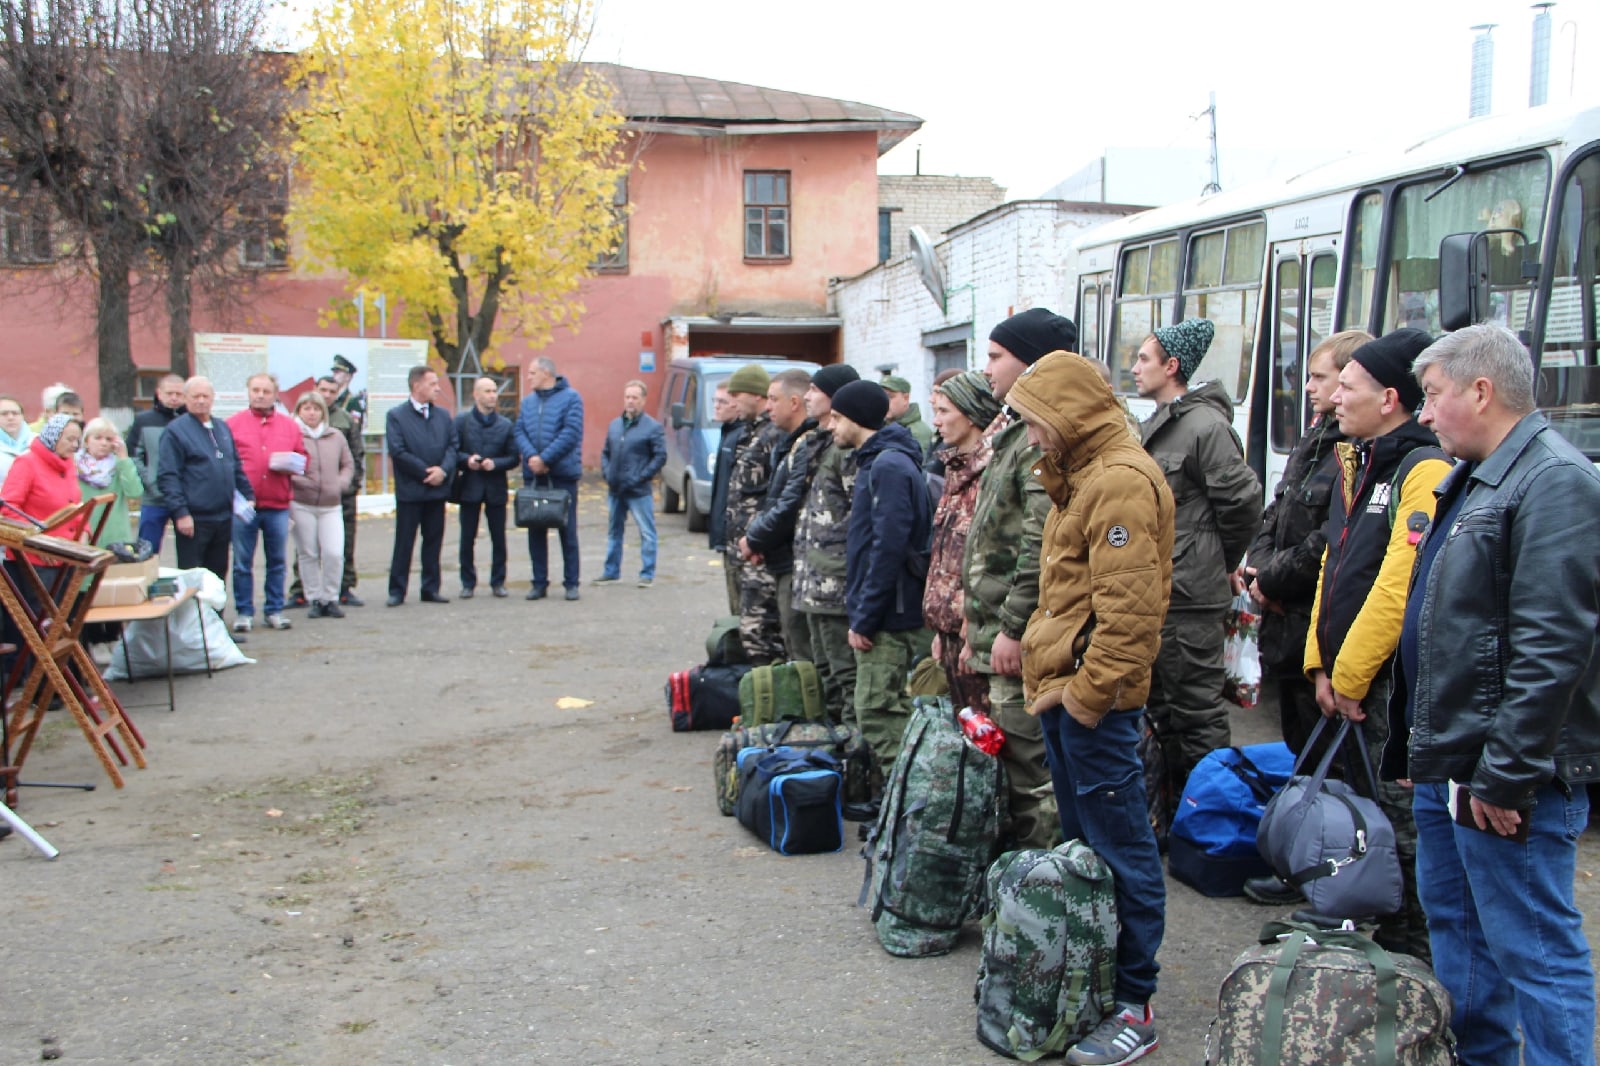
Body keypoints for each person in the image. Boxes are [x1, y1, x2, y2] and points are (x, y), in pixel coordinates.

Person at [1400, 323, 1600, 1066]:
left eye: (1433, 395)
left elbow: (1553, 649)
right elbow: (1443, 623)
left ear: (1481, 391)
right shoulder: (1478, 472)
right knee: (1460, 931)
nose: (1423, 414)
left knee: (1535, 950)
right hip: (1459, 767)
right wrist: (1420, 749)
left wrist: (1508, 774)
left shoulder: (1555, 481)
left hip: (1507, 777)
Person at [1008, 351, 1175, 1066]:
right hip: (1066, 694)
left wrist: (1085, 699)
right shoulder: (1082, 478)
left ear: (1068, 415)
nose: (1030, 438)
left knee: (1121, 849)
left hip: (1091, 704)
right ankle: (1098, 982)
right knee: (1089, 852)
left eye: (1035, 422)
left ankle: (1134, 1003)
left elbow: (1130, 616)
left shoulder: (1118, 482)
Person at [1293, 328, 1451, 959]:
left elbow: (1397, 586)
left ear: (1389, 399)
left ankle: (1414, 956)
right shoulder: (1355, 463)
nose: (1332, 400)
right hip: (1348, 680)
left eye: (1347, 388)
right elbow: (1334, 567)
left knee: (1403, 828)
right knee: (1367, 816)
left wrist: (1351, 676)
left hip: (1389, 689)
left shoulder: (1423, 468)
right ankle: (1378, 931)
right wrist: (1318, 663)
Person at [962, 306, 1077, 852]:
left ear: (1030, 363)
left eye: (996, 356)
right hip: (998, 627)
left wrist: (1010, 626)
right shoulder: (1015, 431)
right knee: (1012, 762)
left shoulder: (1041, 436)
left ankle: (1043, 894)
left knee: (1033, 775)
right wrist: (973, 622)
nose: (986, 369)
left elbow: (1040, 546)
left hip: (1026, 633)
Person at [1134, 316, 1261, 792]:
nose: (1135, 368)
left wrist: (1220, 561)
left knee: (1197, 714)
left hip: (1190, 595)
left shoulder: (1205, 426)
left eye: (1144, 359)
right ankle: (1172, 815)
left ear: (1172, 366)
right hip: (1163, 591)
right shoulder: (1162, 425)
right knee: (1163, 711)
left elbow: (1243, 504)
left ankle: (1210, 821)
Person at [1239, 331, 1368, 776]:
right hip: (1287, 631)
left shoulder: (1354, 451)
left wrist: (1272, 579)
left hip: (1312, 624)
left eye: (1319, 377)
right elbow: (1276, 512)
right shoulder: (1314, 440)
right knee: (1301, 750)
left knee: (1330, 765)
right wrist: (1259, 571)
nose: (1308, 387)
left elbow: (1329, 540)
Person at [832, 379, 932, 769]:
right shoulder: (880, 462)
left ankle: (909, 810)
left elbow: (888, 547)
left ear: (856, 418)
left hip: (891, 616)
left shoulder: (888, 465)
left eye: (837, 418)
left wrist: (866, 617)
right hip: (885, 610)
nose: (831, 426)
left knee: (879, 713)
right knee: (884, 712)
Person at [923, 370, 1001, 711]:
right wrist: (941, 633)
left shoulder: (995, 471)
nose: (936, 422)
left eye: (944, 412)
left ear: (970, 415)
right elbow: (946, 557)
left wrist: (975, 628)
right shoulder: (955, 468)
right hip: (951, 631)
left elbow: (997, 557)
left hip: (980, 635)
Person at [791, 363, 861, 722]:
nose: (806, 396)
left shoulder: (847, 452)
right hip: (815, 581)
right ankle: (833, 747)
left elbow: (856, 521)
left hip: (835, 585)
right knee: (825, 672)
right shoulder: (819, 443)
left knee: (845, 674)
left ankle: (853, 759)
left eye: (815, 390)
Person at [741, 368, 817, 659]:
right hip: (781, 557)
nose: (767, 406)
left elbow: (789, 504)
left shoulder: (807, 444)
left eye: (773, 399)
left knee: (801, 652)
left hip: (795, 562)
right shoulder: (789, 443)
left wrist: (756, 539)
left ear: (795, 402)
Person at [227, 373, 305, 635]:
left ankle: (274, 609)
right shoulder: (232, 425)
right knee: (242, 562)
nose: (260, 395)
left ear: (275, 394)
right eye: (255, 390)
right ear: (248, 392)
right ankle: (244, 612)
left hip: (277, 502)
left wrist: (292, 462)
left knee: (277, 561)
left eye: (266, 391)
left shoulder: (290, 426)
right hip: (244, 506)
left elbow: (302, 458)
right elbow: (226, 462)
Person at [158, 377, 253, 591]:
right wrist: (181, 513)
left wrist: (248, 495)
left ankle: (215, 620)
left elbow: (234, 464)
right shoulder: (176, 431)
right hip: (194, 519)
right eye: (195, 396)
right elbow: (168, 475)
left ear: (212, 398)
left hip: (223, 517)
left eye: (205, 396)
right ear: (185, 399)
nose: (201, 401)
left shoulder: (221, 427)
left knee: (218, 575)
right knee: (193, 577)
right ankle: (193, 622)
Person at [722, 364, 788, 664]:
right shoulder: (748, 432)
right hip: (741, 548)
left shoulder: (774, 434)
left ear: (757, 396)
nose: (731, 401)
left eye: (737, 395)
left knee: (761, 633)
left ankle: (773, 700)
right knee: (745, 628)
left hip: (760, 552)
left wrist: (760, 540)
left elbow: (775, 497)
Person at [291, 376, 367, 607]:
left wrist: (344, 485)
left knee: (339, 549)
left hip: (336, 498)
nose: (326, 395)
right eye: (322, 390)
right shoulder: (292, 429)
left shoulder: (343, 423)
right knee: (307, 550)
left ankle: (340, 590)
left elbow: (353, 458)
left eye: (331, 391)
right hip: (303, 500)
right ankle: (305, 592)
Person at [385, 366, 456, 606]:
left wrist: (443, 470)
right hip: (410, 490)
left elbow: (452, 447)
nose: (438, 388)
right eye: (433, 384)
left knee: (434, 540)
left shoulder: (443, 416)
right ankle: (397, 590)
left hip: (437, 490)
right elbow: (398, 450)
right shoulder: (396, 416)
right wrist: (426, 472)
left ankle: (430, 587)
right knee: (404, 541)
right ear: (417, 386)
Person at [514, 357, 583, 601]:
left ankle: (571, 583)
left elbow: (571, 432)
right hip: (534, 476)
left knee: (567, 530)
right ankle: (539, 582)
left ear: (546, 373)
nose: (528, 377)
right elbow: (519, 430)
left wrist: (546, 459)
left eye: (532, 373)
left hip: (562, 475)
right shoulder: (528, 402)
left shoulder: (571, 398)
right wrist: (532, 457)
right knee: (535, 528)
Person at [596, 379, 666, 589]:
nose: (630, 401)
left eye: (635, 397)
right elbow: (606, 452)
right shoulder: (614, 425)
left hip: (638, 490)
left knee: (646, 531)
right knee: (614, 531)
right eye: (627, 397)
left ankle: (647, 573)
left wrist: (640, 477)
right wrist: (607, 473)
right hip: (615, 488)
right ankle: (611, 572)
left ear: (643, 400)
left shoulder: (653, 428)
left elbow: (660, 457)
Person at [708, 365, 766, 614]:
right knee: (737, 612)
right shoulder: (733, 434)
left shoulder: (753, 435)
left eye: (727, 400)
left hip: (750, 542)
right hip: (733, 537)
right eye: (716, 401)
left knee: (748, 613)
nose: (718, 406)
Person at [454, 376, 518, 598]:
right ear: (476, 394)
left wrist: (495, 464)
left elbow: (513, 457)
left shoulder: (505, 425)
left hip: (495, 487)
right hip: (470, 487)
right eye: (487, 391)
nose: (493, 395)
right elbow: (454, 451)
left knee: (498, 537)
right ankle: (467, 582)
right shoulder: (462, 422)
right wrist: (467, 461)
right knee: (466, 538)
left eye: (494, 391)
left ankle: (498, 581)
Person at [126, 373, 186, 551]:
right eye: (169, 393)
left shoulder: (189, 422)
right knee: (147, 550)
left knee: (189, 553)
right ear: (159, 393)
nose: (174, 398)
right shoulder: (144, 421)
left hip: (185, 498)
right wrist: (150, 481)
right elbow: (133, 455)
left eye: (179, 394)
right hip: (154, 498)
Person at [77, 417, 142, 545]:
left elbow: (135, 492)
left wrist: (124, 458)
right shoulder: (75, 466)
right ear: (86, 440)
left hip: (115, 536)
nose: (104, 443)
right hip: (84, 533)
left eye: (108, 439)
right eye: (98, 438)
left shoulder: (119, 465)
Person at [880, 372, 934, 454]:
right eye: (881, 396)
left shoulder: (917, 433)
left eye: (889, 396)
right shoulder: (882, 426)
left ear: (905, 398)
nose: (884, 401)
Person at [0, 393, 34, 484]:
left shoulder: (38, 441)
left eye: (15, 413)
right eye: (4, 414)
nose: (10, 417)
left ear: (22, 416)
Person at [329, 354, 367, 429]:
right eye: (334, 372)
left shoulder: (353, 401)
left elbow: (355, 428)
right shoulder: (332, 398)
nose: (334, 375)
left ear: (348, 377)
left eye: (338, 372)